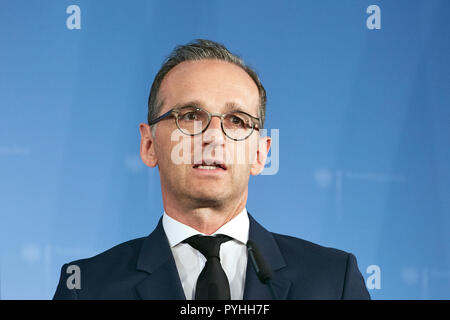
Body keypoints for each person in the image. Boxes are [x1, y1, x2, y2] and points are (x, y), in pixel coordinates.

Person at [53, 39, 370, 300]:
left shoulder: (332, 280)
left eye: (237, 120)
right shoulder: (85, 287)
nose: (214, 136)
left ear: (260, 153)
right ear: (149, 145)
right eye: (190, 116)